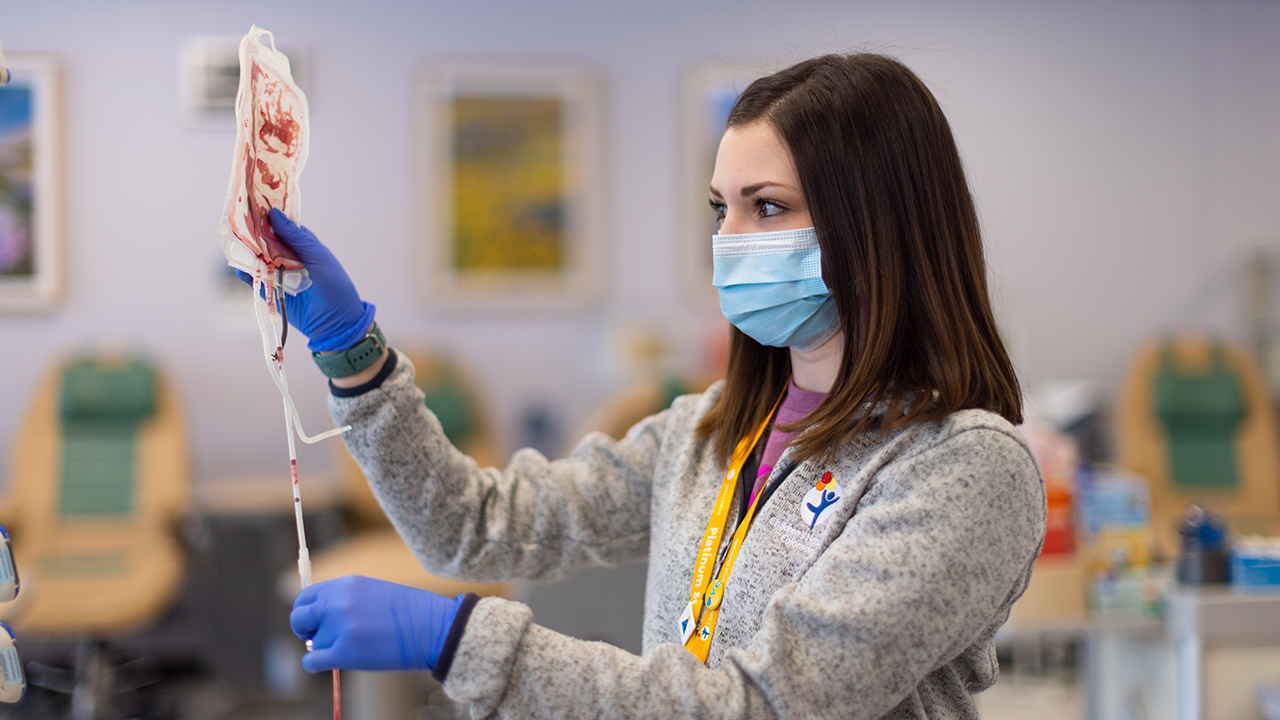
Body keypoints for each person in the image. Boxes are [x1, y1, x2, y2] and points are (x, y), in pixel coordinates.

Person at [274, 53, 1044, 720]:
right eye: (721, 208)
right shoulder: (705, 431)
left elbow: (769, 705)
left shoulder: (964, 469)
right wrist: (356, 357)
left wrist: (456, 640)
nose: (726, 241)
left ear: (878, 224)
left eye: (767, 206)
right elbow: (471, 527)